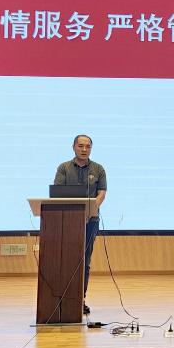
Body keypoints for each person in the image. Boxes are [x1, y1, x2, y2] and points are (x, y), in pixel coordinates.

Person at [53, 134, 107, 315]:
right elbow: (58, 193)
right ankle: (62, 298)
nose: (84, 149)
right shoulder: (64, 168)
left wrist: (90, 210)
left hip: (91, 222)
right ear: (74, 147)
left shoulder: (98, 169)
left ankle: (79, 299)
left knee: (85, 261)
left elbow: (101, 194)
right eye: (81, 146)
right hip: (67, 222)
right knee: (65, 260)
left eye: (88, 146)